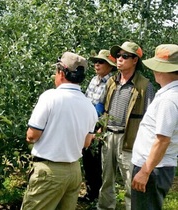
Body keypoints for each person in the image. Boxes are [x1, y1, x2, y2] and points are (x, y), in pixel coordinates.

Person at [21, 52, 98, 210]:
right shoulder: (89, 105)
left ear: (61, 73)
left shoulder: (50, 97)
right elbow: (86, 142)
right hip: (74, 171)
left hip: (49, 171)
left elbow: (32, 135)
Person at [97, 41, 155, 210]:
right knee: (106, 180)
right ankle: (105, 207)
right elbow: (101, 105)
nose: (119, 59)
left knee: (131, 182)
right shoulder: (111, 82)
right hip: (109, 137)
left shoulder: (145, 86)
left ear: (135, 60)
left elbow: (150, 118)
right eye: (118, 56)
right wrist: (100, 125)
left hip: (130, 139)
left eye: (124, 56)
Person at [131, 44, 178, 210]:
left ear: (163, 70)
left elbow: (163, 139)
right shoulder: (169, 94)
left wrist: (144, 171)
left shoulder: (168, 100)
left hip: (153, 169)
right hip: (156, 167)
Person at [79, 49, 117, 203]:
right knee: (87, 158)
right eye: (95, 61)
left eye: (101, 62)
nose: (96, 64)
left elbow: (109, 107)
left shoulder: (112, 82)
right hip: (87, 122)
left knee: (97, 162)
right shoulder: (94, 80)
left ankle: (98, 196)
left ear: (109, 65)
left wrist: (100, 128)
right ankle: (91, 193)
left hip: (98, 125)